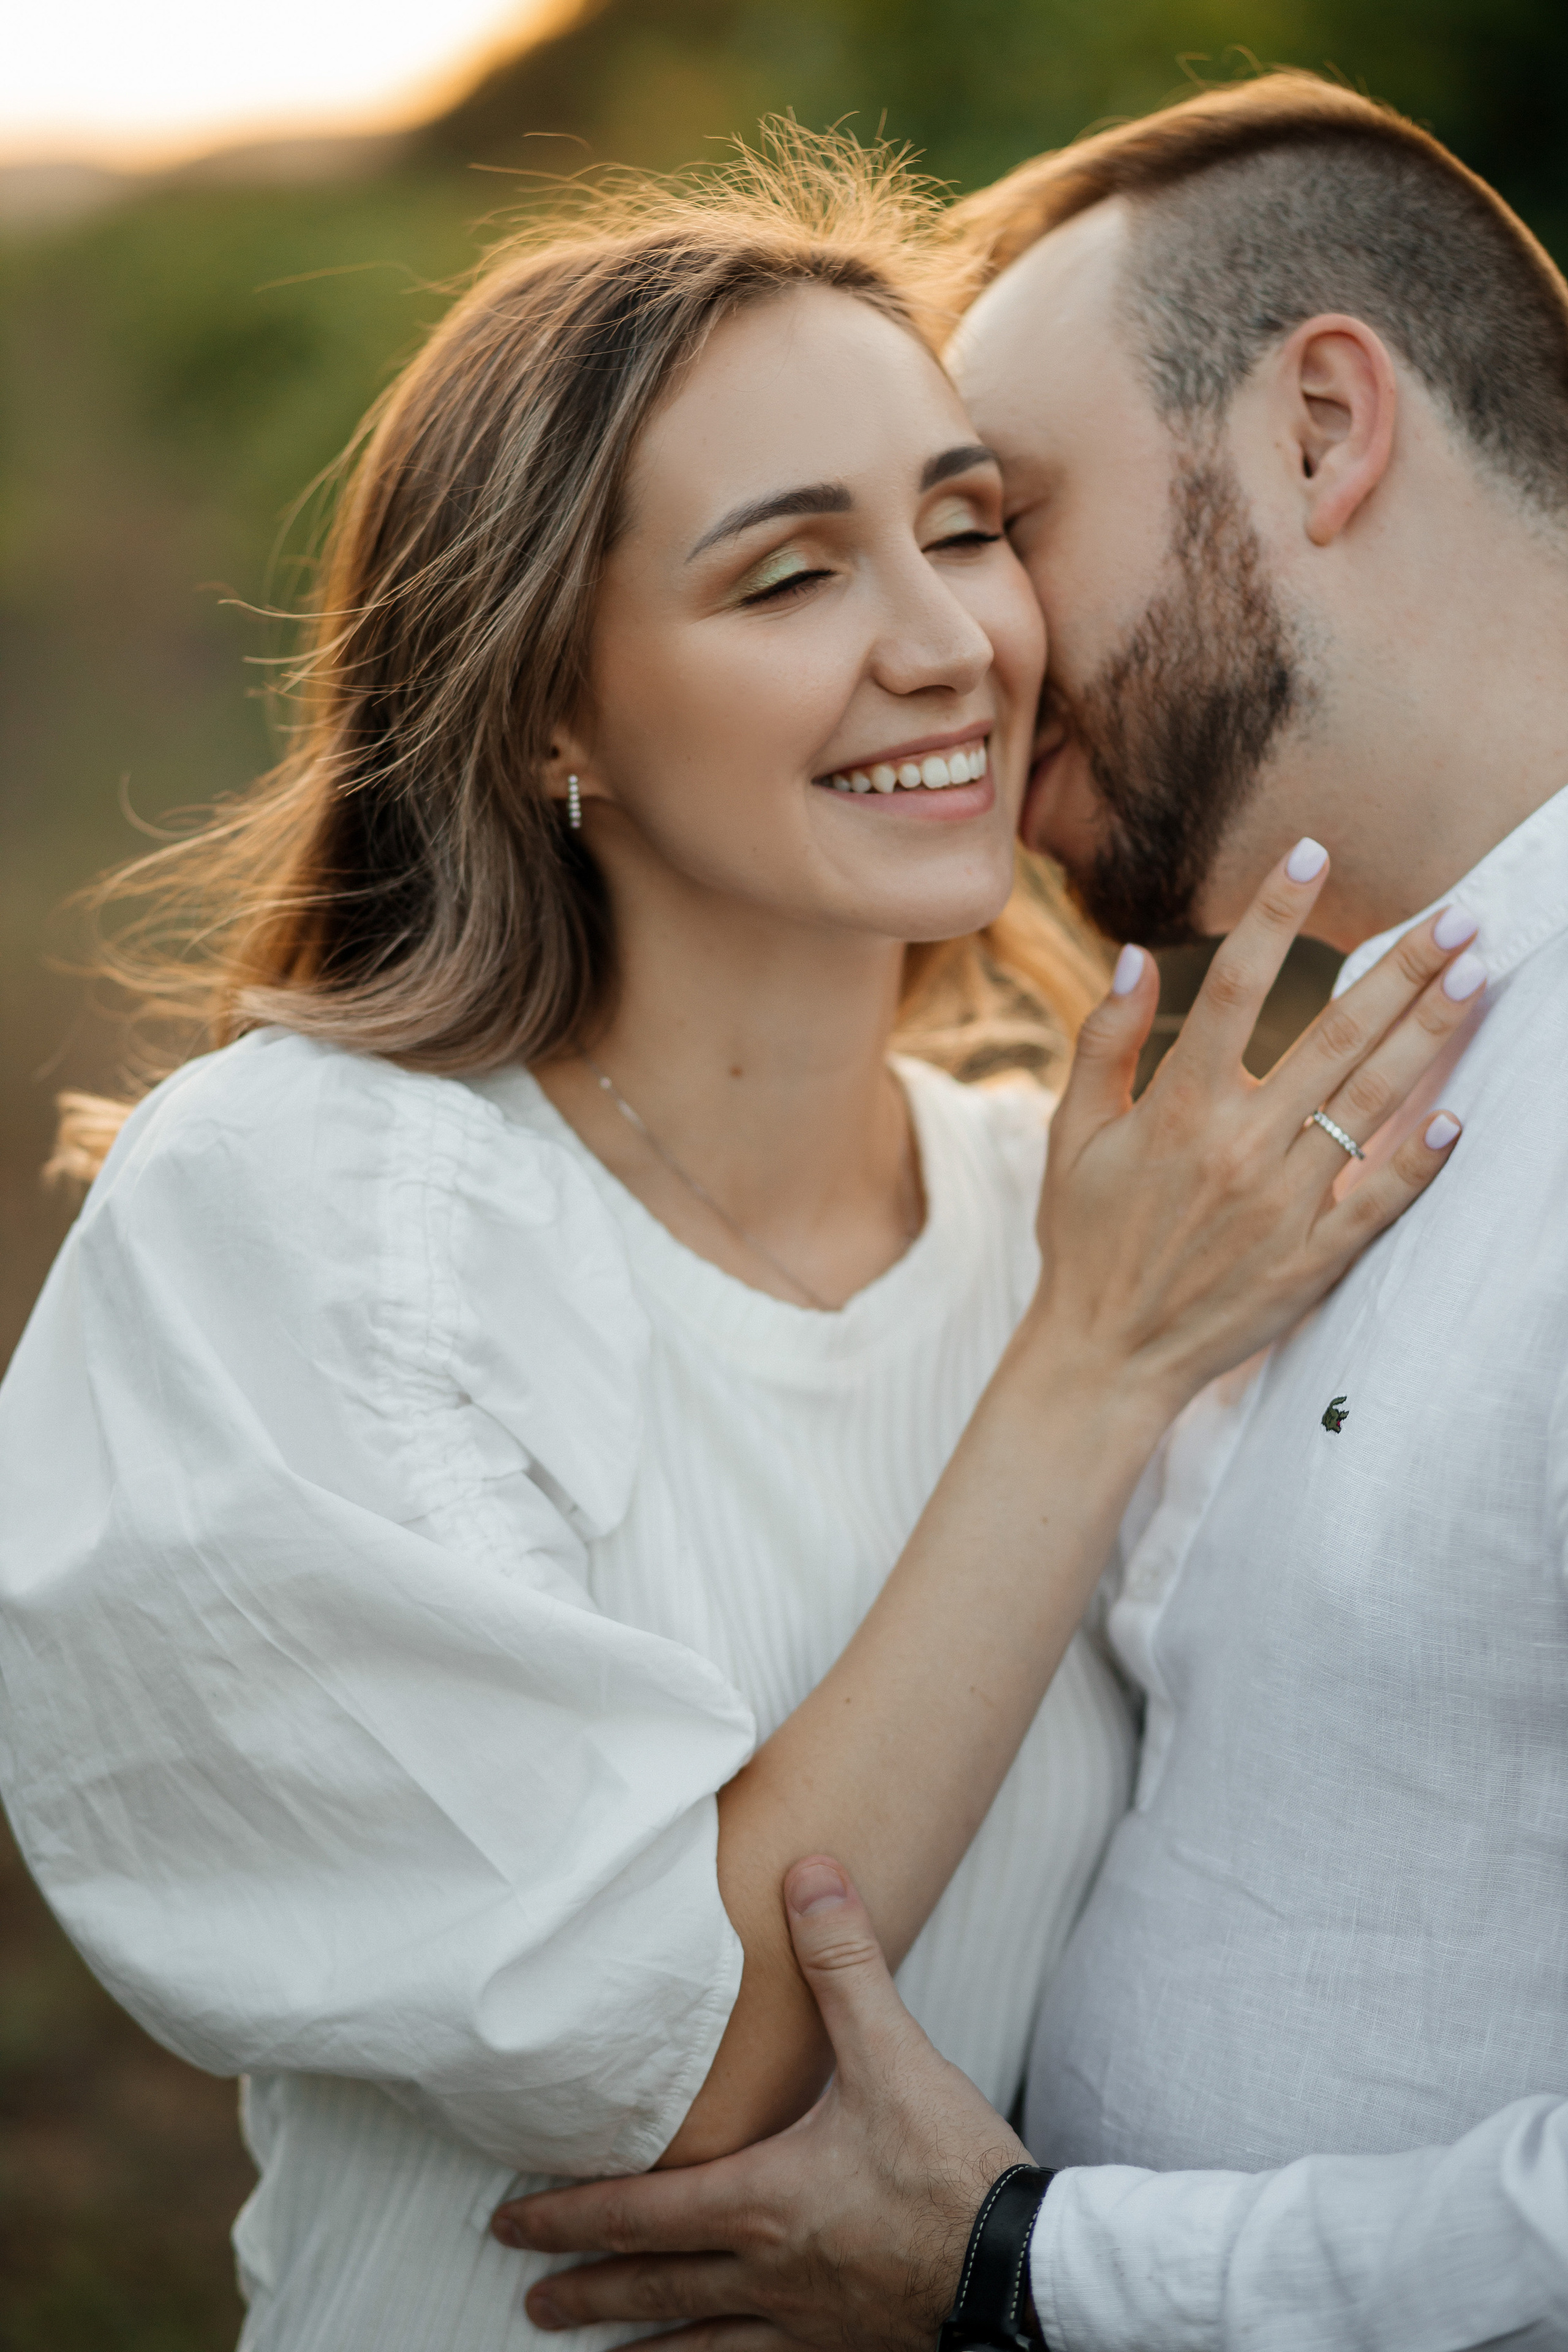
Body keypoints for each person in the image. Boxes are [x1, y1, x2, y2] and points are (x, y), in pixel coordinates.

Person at [0, 134, 1468, 2351]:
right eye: (788, 576)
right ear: (551, 709)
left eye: (968, 527)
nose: (948, 643)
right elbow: (672, 2065)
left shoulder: (1046, 1210)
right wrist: (1087, 1375)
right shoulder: (308, 1212)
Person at [489, 73, 1568, 2351]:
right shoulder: (1295, 1087)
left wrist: (1031, 2270)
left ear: (1321, 431)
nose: (980, 641)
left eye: (1003, 512)